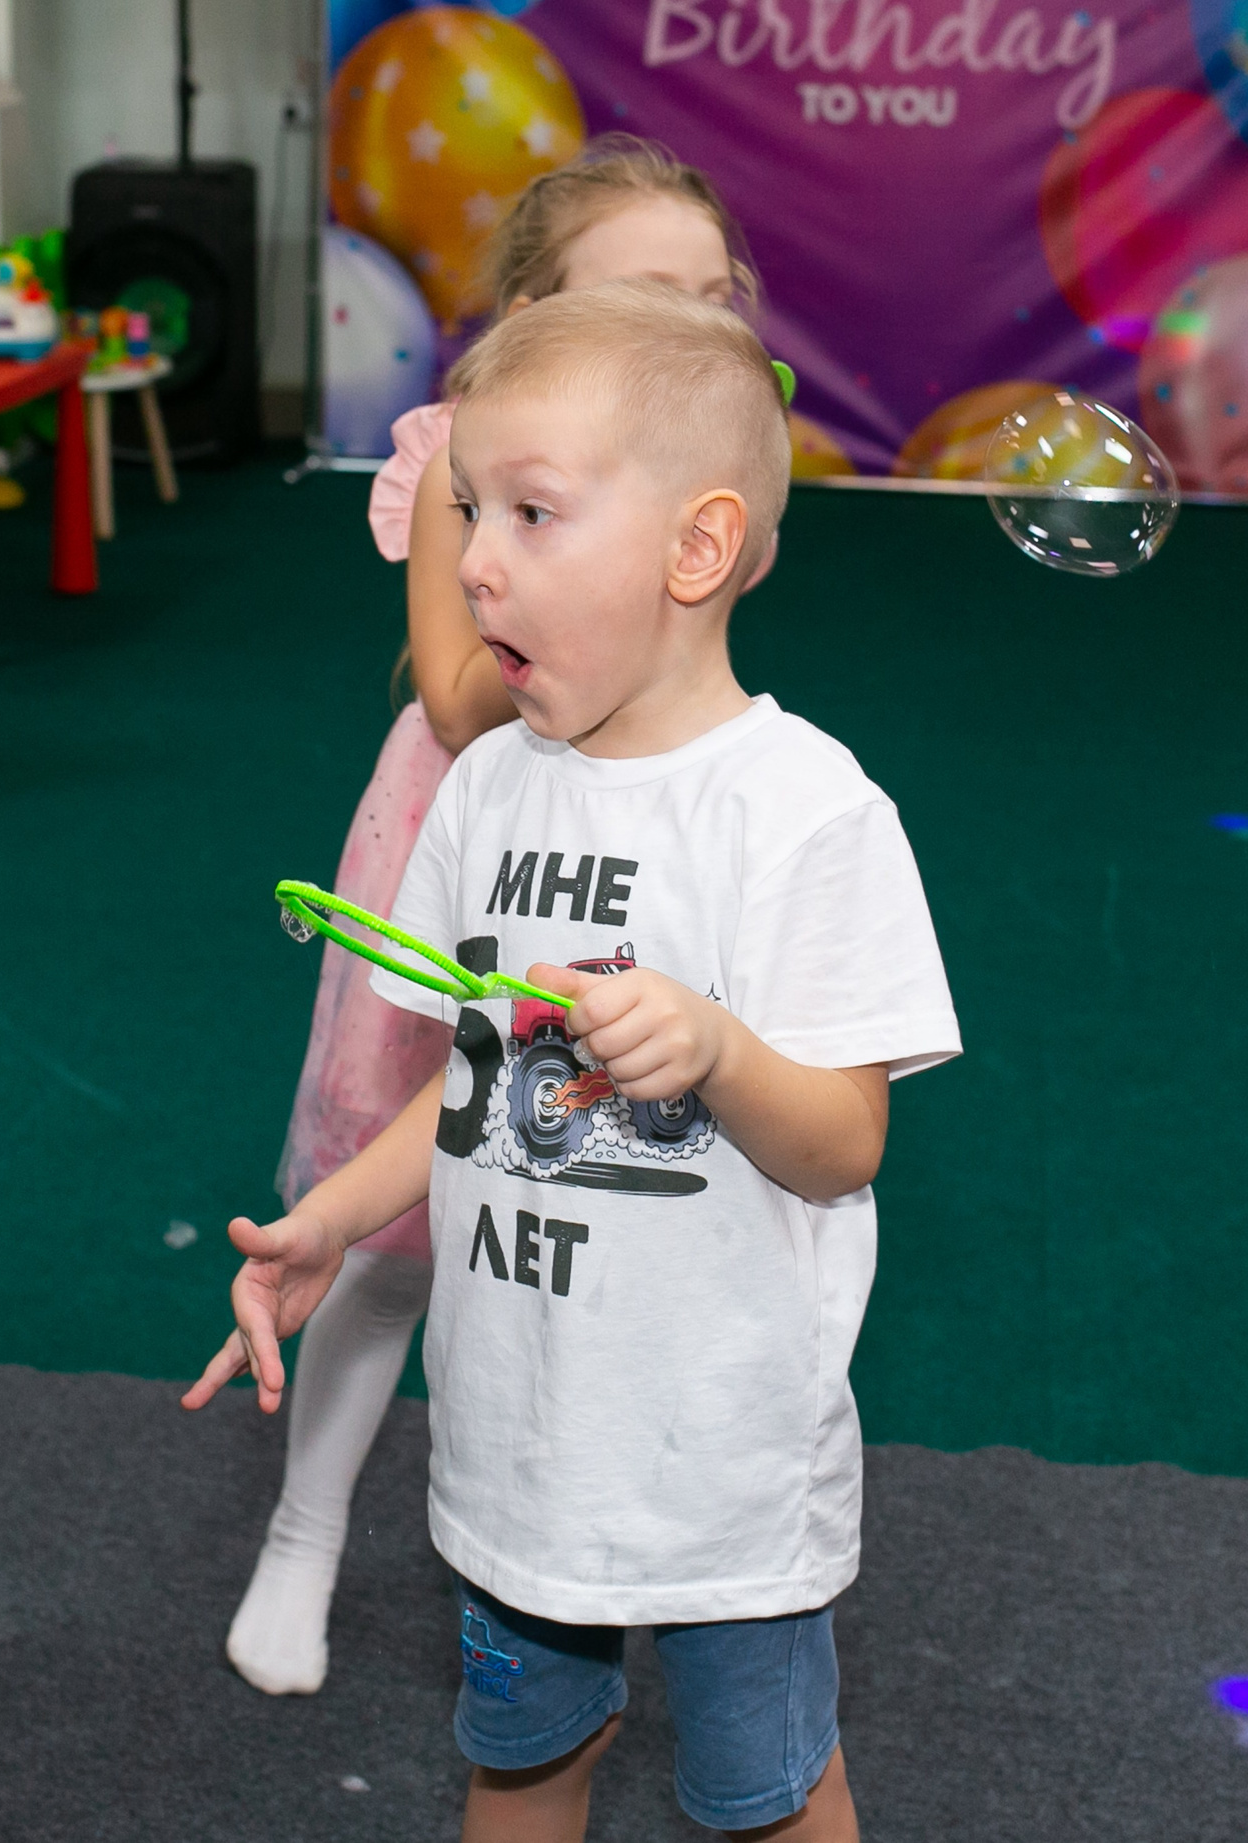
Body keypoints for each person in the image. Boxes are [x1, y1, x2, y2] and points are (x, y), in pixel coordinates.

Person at [185, 281, 960, 1839]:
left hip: (726, 1461)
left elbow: (844, 1143)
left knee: (774, 1789)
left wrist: (716, 1047)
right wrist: (334, 1216)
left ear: (696, 549)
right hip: (520, 1445)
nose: (475, 557)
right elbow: (475, 1082)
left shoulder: (806, 810)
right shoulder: (486, 790)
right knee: (522, 1760)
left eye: (533, 513)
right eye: (472, 509)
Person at [232, 135, 772, 1697]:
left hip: (628, 853)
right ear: (535, 320)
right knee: (400, 1225)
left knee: (598, 1194)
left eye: (715, 294)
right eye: (652, 294)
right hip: (465, 849)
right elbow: (462, 695)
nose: (700, 325)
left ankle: (604, 1529)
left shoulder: (703, 465)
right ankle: (305, 1526)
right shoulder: (463, 456)